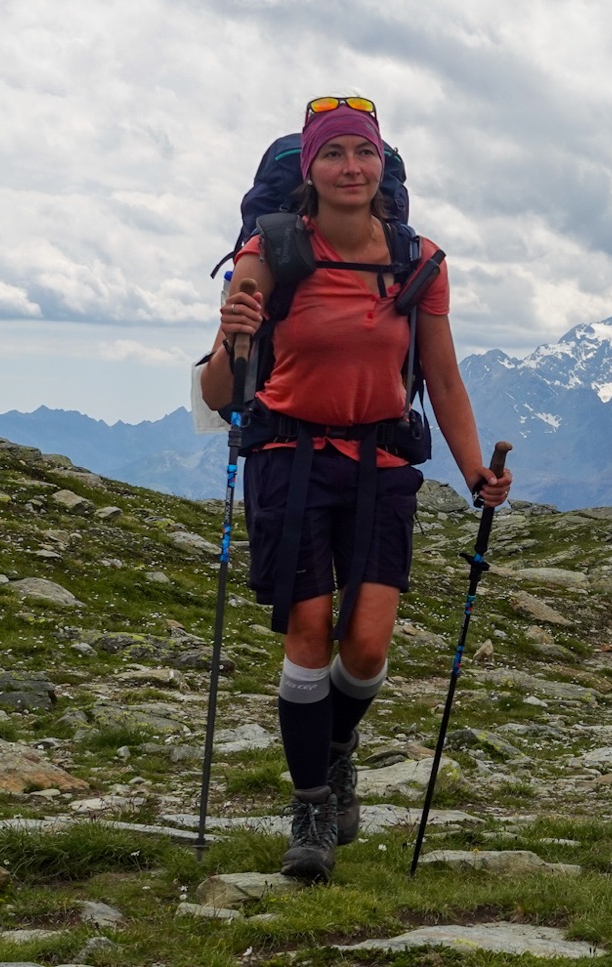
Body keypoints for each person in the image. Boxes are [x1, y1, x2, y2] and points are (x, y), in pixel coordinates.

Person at [199, 96, 511, 881]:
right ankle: (311, 810)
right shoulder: (267, 254)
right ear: (309, 169)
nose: (350, 168)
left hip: (381, 465)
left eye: (363, 154)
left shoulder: (418, 260)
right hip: (290, 457)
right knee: (309, 634)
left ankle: (336, 749)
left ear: (382, 168)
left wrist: (476, 471)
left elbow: (441, 376)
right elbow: (218, 394)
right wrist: (235, 333)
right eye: (334, 154)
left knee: (367, 646)